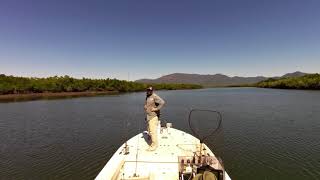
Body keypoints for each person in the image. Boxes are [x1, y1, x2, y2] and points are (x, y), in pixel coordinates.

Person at [144, 86, 165, 151]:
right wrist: (145, 106)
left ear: (152, 91)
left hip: (153, 116)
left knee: (153, 131)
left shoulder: (154, 96)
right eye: (148, 90)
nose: (149, 91)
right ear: (147, 90)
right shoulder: (147, 96)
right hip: (148, 116)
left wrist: (156, 109)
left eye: (150, 90)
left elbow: (162, 102)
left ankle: (154, 145)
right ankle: (151, 139)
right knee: (149, 129)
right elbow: (148, 104)